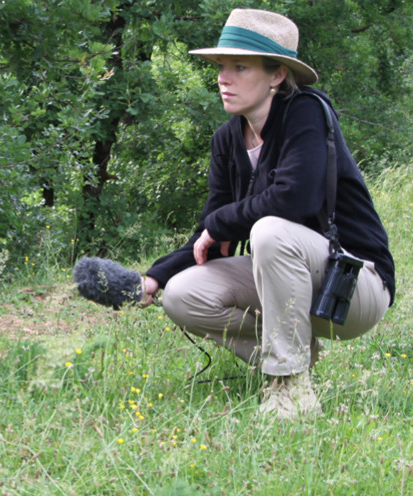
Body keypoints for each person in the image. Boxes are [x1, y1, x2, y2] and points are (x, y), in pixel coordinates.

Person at [139, 8, 395, 419]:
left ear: (276, 75)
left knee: (270, 232)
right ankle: (298, 354)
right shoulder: (227, 140)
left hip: (354, 285)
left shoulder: (306, 112)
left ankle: (289, 389)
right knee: (182, 296)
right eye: (222, 66)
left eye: (240, 67)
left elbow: (292, 202)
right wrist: (158, 274)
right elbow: (213, 228)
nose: (224, 77)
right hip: (291, 279)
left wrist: (219, 225)